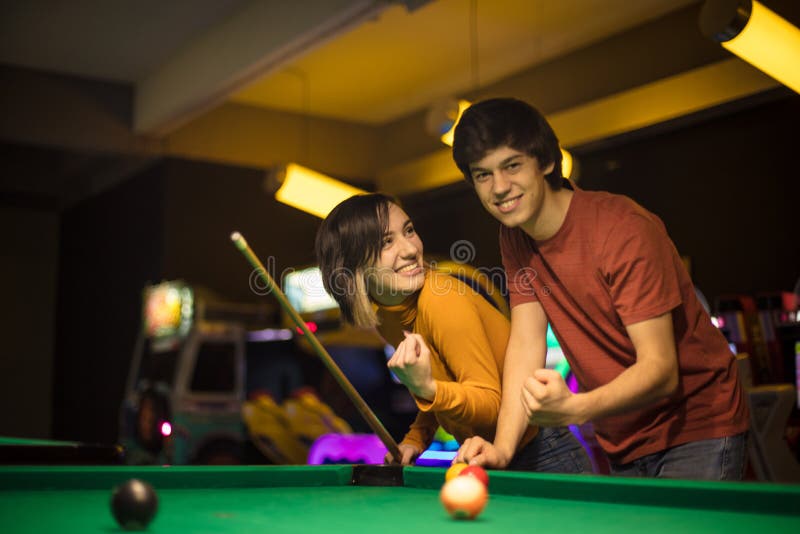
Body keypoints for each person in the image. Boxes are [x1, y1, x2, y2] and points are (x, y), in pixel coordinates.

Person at [451, 97, 749, 480]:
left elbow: (661, 370)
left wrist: (574, 408)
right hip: (622, 437)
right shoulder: (514, 238)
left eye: (512, 166)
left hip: (697, 427)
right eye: (483, 175)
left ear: (545, 161)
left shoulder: (622, 229)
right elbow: (526, 344)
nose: (499, 188)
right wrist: (503, 449)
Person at [315, 193, 591, 472]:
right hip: (489, 457)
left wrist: (428, 389)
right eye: (387, 242)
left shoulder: (441, 300)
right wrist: (415, 438)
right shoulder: (387, 315)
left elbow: (493, 404)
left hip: (543, 452)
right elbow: (442, 385)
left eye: (409, 231)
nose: (410, 249)